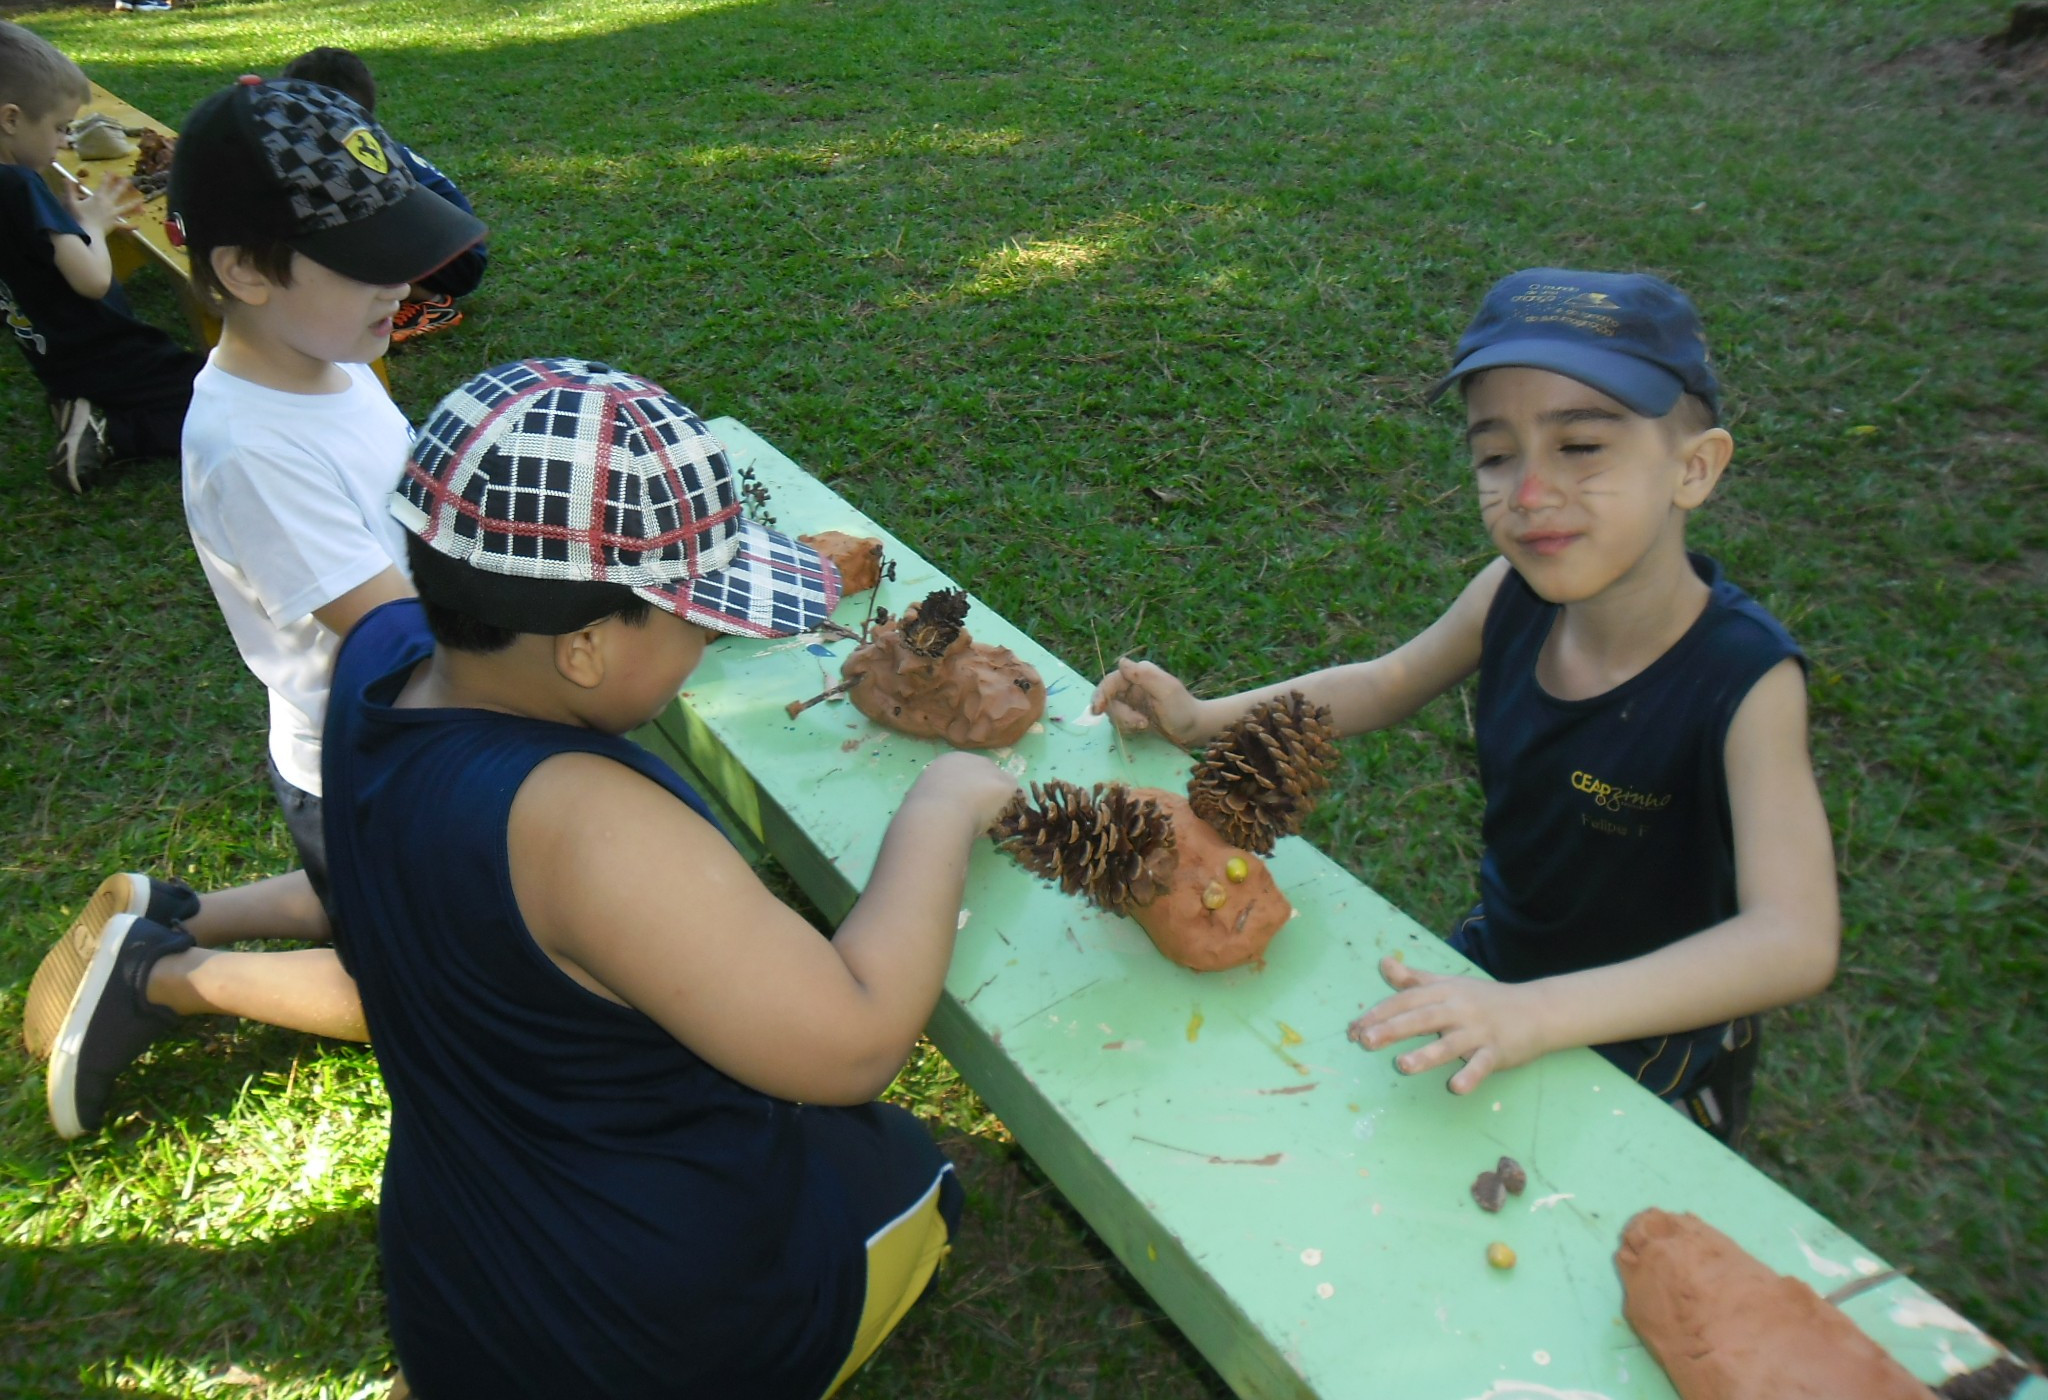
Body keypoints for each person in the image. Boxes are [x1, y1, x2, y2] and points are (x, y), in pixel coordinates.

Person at [322, 357, 1017, 1399]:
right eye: (697, 620)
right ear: (585, 649)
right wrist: (944, 806)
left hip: (467, 1278)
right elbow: (858, 1039)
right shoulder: (582, 826)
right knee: (912, 1171)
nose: (708, 641)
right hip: (644, 1336)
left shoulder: (379, 651)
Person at [1092, 269, 1840, 1145]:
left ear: (1694, 467)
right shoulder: (1510, 595)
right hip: (1497, 968)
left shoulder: (1746, 679)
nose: (1528, 493)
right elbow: (1385, 682)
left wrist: (1538, 1014)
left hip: (1646, 1038)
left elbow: (1794, 939)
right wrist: (1202, 718)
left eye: (1580, 446)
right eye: (1496, 454)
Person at [24, 76, 487, 1139]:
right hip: (372, 754)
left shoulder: (333, 359)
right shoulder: (252, 447)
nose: (404, 281)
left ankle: (173, 909)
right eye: (367, 262)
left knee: (385, 892)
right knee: (441, 997)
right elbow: (397, 632)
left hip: (395, 748)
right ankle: (167, 975)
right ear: (244, 271)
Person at [0, 20, 197, 493]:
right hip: (110, 353)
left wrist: (66, 225)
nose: (63, 142)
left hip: (54, 358)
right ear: (10, 119)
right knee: (225, 401)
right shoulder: (20, 185)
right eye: (58, 128)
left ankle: (82, 405)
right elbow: (91, 281)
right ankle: (111, 434)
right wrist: (93, 223)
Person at [280, 46, 488, 343]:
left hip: (455, 258)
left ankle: (427, 300)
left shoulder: (359, 157)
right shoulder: (347, 146)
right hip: (447, 247)